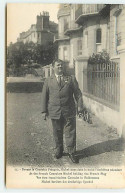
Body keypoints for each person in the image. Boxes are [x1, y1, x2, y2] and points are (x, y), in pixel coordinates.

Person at [41, 59, 83, 163]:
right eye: (58, 65)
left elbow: (78, 94)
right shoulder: (48, 80)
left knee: (70, 132)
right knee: (57, 132)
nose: (60, 67)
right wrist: (44, 111)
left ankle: (72, 152)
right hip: (54, 110)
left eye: (62, 65)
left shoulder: (71, 78)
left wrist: (80, 107)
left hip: (69, 110)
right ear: (53, 67)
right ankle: (59, 150)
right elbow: (44, 96)